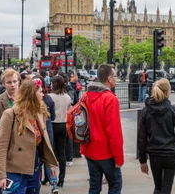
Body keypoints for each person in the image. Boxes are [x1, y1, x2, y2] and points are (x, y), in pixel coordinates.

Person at [0, 79, 58, 193]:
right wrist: (0, 175)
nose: (43, 95)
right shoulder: (10, 114)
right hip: (14, 169)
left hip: (34, 167)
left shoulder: (40, 113)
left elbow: (44, 143)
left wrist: (50, 164)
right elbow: (1, 147)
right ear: (32, 95)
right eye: (40, 92)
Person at [138, 78, 175, 194]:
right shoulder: (174, 111)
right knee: (166, 188)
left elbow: (141, 137)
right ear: (168, 92)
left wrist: (142, 160)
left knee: (158, 186)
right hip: (171, 153)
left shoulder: (146, 111)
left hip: (154, 153)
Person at [81, 64, 124, 194]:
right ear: (109, 78)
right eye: (115, 76)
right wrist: (119, 158)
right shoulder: (110, 99)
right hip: (106, 152)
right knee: (115, 185)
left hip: (90, 148)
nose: (116, 79)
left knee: (94, 186)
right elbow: (114, 131)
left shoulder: (86, 96)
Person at [49, 75, 72, 187]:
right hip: (63, 125)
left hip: (52, 125)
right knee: (61, 153)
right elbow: (69, 111)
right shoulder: (67, 97)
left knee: (50, 152)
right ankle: (61, 179)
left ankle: (48, 177)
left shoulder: (49, 97)